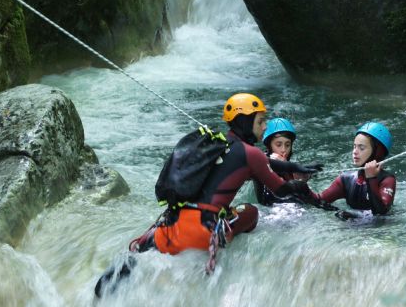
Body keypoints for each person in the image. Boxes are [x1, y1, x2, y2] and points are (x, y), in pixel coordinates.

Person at [130, 93, 320, 270]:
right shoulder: (251, 153)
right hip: (202, 233)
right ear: (245, 122)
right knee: (251, 211)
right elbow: (281, 190)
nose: (264, 127)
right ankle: (226, 240)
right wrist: (307, 191)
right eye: (260, 121)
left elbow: (267, 162)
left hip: (170, 227)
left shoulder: (218, 145)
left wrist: (295, 167)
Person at [299, 122, 396, 215]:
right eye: (354, 147)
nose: (355, 152)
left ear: (377, 153)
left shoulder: (387, 180)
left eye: (361, 148)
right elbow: (318, 201)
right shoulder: (346, 179)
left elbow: (381, 213)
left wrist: (371, 178)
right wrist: (302, 184)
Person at [254, 118, 320, 206]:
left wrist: (306, 172)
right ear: (269, 146)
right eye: (278, 145)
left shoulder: (290, 167)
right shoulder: (260, 162)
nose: (283, 150)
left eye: (287, 145)